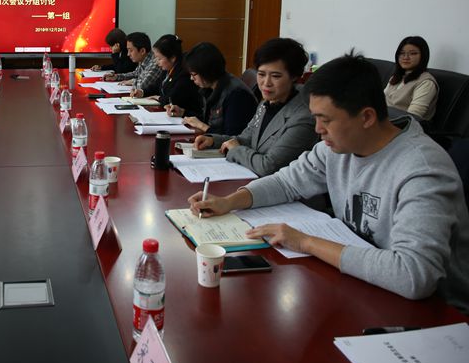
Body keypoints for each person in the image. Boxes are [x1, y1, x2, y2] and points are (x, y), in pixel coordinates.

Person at [188, 53, 469, 313]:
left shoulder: (422, 169)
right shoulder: (336, 147)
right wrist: (229, 202)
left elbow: (413, 274)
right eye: (315, 118)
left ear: (367, 117)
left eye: (326, 120)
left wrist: (306, 242)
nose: (318, 130)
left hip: (435, 313)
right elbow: (287, 182)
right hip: (361, 285)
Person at [194, 37, 317, 176]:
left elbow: (268, 166)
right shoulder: (267, 102)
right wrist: (213, 141)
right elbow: (246, 139)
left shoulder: (303, 117)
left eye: (276, 76)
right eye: (261, 74)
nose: (266, 83)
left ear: (294, 76)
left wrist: (236, 150)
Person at [177, 42, 257, 136]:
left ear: (206, 71)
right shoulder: (211, 87)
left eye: (193, 74)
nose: (191, 78)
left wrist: (202, 126)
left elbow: (232, 136)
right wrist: (183, 112)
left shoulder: (237, 95)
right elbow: (211, 120)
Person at [384, 36, 439, 121]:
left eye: (413, 53)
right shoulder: (396, 77)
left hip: (403, 126)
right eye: (402, 53)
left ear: (423, 56)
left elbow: (412, 118)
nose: (405, 57)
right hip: (383, 120)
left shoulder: (426, 82)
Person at [145, 34, 200, 115]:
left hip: (187, 117)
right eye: (155, 58)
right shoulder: (167, 68)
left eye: (159, 58)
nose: (156, 62)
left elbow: (172, 100)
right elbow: (156, 86)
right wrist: (142, 92)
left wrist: (158, 98)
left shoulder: (184, 73)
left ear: (172, 58)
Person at [103, 32, 163, 98]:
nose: (128, 54)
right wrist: (116, 77)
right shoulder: (144, 59)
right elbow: (135, 73)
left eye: (131, 50)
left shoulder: (155, 63)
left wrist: (132, 81)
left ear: (142, 51)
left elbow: (142, 86)